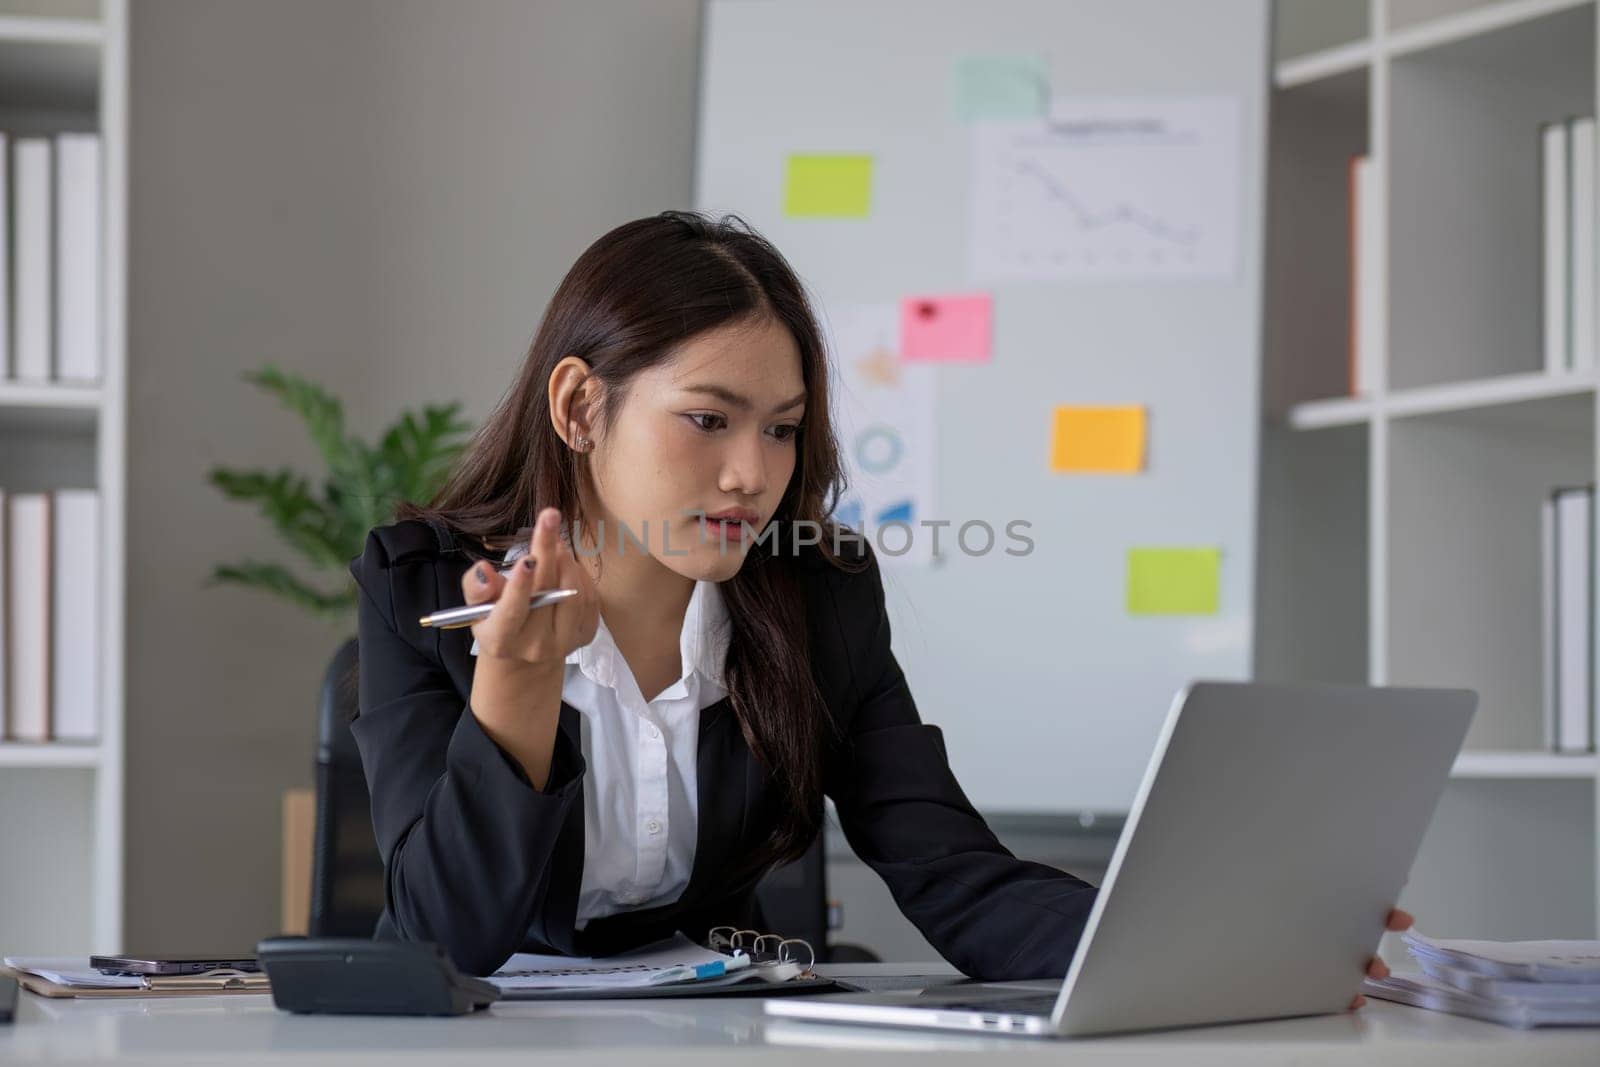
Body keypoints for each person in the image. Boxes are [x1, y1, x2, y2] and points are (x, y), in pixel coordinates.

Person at [350, 211, 1409, 997]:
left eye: (780, 428)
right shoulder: (425, 588)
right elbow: (435, 942)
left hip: (714, 1033)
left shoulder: (818, 595)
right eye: (708, 420)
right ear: (582, 405)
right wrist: (518, 700)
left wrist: (1217, 941)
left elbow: (954, 873)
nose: (750, 474)